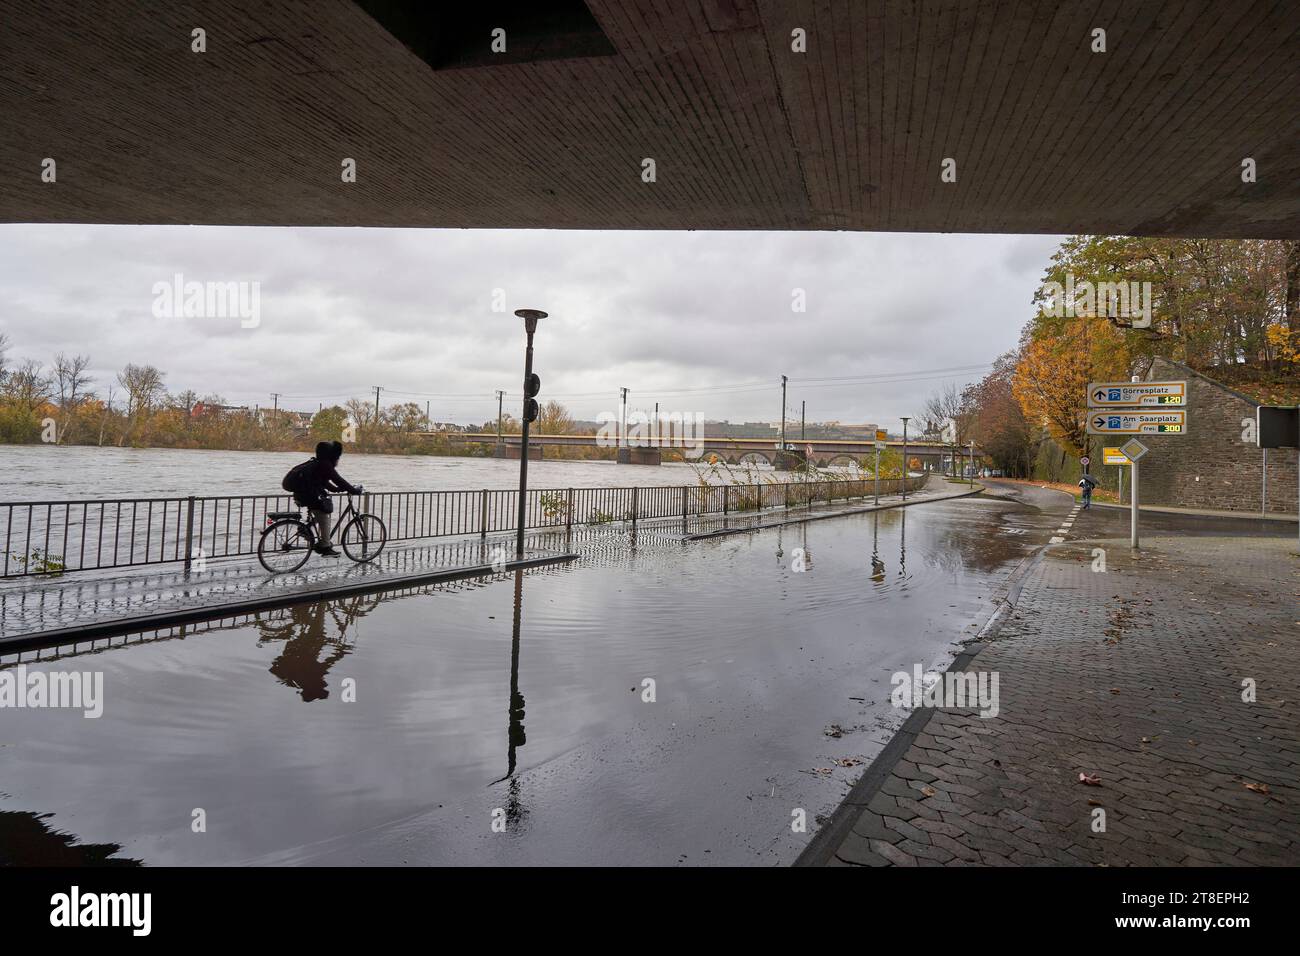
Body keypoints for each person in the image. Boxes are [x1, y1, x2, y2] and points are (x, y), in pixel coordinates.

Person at [282, 441, 362, 556]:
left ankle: (305, 529)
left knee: (320, 513)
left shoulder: (317, 463)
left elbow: (324, 482)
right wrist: (354, 491)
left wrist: (338, 489)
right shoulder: (325, 465)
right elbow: (338, 480)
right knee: (324, 517)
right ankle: (325, 546)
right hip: (310, 496)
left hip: (303, 494)